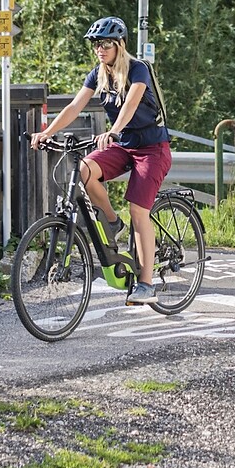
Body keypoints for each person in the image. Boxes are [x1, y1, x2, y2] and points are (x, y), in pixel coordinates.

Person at [31, 16, 171, 305]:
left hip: (152, 147)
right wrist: (47, 132)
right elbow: (73, 106)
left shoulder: (138, 69)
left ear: (120, 44)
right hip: (123, 145)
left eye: (106, 43)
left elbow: (132, 102)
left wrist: (114, 130)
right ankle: (111, 221)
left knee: (138, 211)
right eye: (96, 44)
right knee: (83, 170)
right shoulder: (98, 74)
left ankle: (146, 283)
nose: (100, 48)